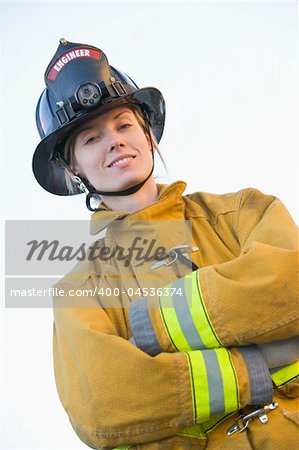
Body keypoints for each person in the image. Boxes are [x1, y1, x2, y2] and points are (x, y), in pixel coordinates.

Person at [32, 39, 298, 450]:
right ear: (73, 168)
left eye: (123, 125)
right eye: (90, 139)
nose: (115, 142)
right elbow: (103, 402)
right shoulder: (79, 289)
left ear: (147, 133)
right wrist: (254, 366)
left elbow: (290, 285)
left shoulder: (245, 212)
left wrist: (149, 330)